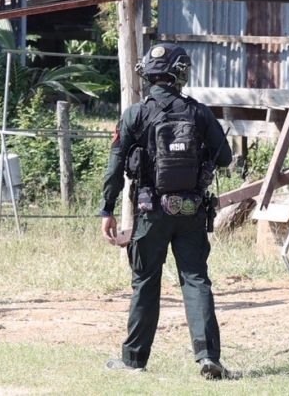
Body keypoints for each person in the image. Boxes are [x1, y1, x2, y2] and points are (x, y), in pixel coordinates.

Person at [99, 42, 235, 379]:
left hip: (149, 213)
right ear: (180, 74)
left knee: (145, 282)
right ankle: (207, 357)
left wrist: (107, 209)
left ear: (148, 74)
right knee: (196, 280)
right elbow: (226, 158)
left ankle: (134, 361)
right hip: (191, 211)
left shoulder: (135, 114)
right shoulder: (199, 112)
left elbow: (114, 167)